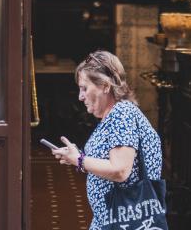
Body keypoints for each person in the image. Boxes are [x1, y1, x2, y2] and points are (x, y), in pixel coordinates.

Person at [52, 50, 163, 230]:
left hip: (126, 222)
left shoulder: (122, 114)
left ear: (105, 85)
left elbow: (120, 170)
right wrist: (78, 156)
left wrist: (79, 160)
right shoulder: (113, 116)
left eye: (84, 88)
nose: (80, 97)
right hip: (111, 221)